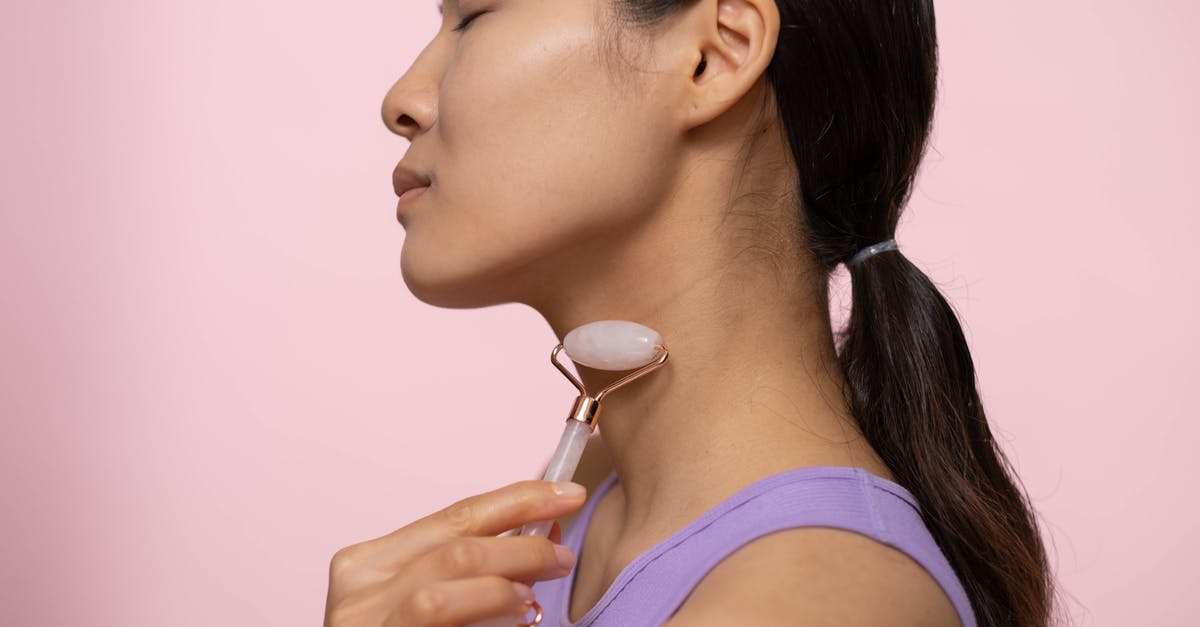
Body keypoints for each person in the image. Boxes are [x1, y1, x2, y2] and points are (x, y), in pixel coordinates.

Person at [325, 0, 1055, 625]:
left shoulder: (810, 604)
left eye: (475, 16)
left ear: (714, 54)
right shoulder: (604, 495)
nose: (403, 98)